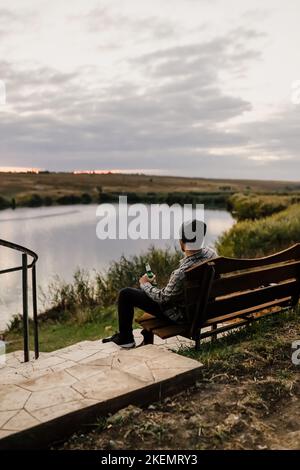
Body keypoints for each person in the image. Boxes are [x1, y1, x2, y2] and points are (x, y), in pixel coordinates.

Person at [102, 219, 217, 348]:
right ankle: (132, 336)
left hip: (183, 316)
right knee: (148, 292)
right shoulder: (212, 255)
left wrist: (145, 284)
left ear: (182, 243)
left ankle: (126, 339)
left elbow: (163, 299)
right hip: (206, 309)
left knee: (126, 294)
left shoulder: (181, 273)